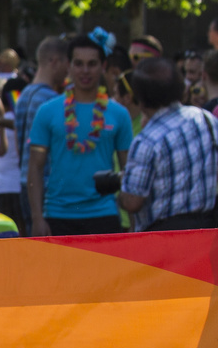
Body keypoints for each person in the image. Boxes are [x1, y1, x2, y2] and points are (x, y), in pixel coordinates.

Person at [117, 57, 218, 231]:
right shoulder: (203, 118)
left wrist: (122, 186)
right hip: (204, 232)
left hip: (162, 239)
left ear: (140, 99)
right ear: (182, 89)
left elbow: (133, 202)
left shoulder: (146, 141)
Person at [24, 34, 133, 237]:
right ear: (69, 65)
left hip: (104, 214)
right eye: (79, 63)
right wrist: (37, 217)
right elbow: (35, 167)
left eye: (92, 64)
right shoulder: (47, 111)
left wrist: (134, 224)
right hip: (57, 215)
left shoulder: (119, 113)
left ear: (103, 66)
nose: (85, 71)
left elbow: (129, 171)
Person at [13, 36, 68, 194]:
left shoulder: (24, 94)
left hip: (24, 180)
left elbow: (19, 143)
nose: (68, 70)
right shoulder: (51, 100)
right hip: (44, 182)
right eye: (67, 63)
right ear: (55, 61)